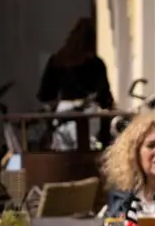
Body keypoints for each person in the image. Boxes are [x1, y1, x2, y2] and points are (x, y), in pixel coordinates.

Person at [37, 17, 115, 148]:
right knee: (86, 151)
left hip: (63, 113)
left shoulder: (57, 60)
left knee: (64, 154)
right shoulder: (96, 63)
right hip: (88, 112)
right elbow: (104, 96)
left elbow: (45, 94)